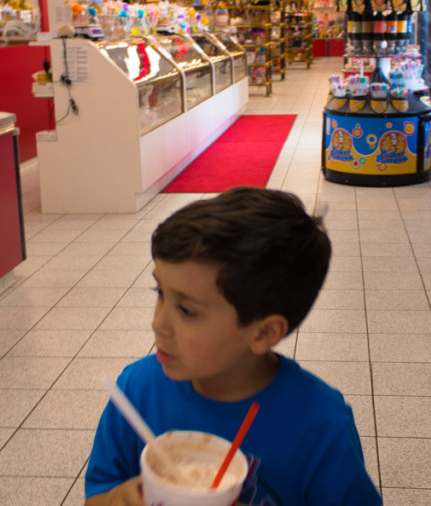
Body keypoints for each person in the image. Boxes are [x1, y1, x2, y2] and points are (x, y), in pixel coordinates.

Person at [84, 186, 382, 505]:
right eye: (160, 293)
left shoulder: (321, 426)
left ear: (263, 333)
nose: (157, 323)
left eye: (186, 310)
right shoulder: (137, 390)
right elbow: (99, 493)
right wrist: (120, 499)